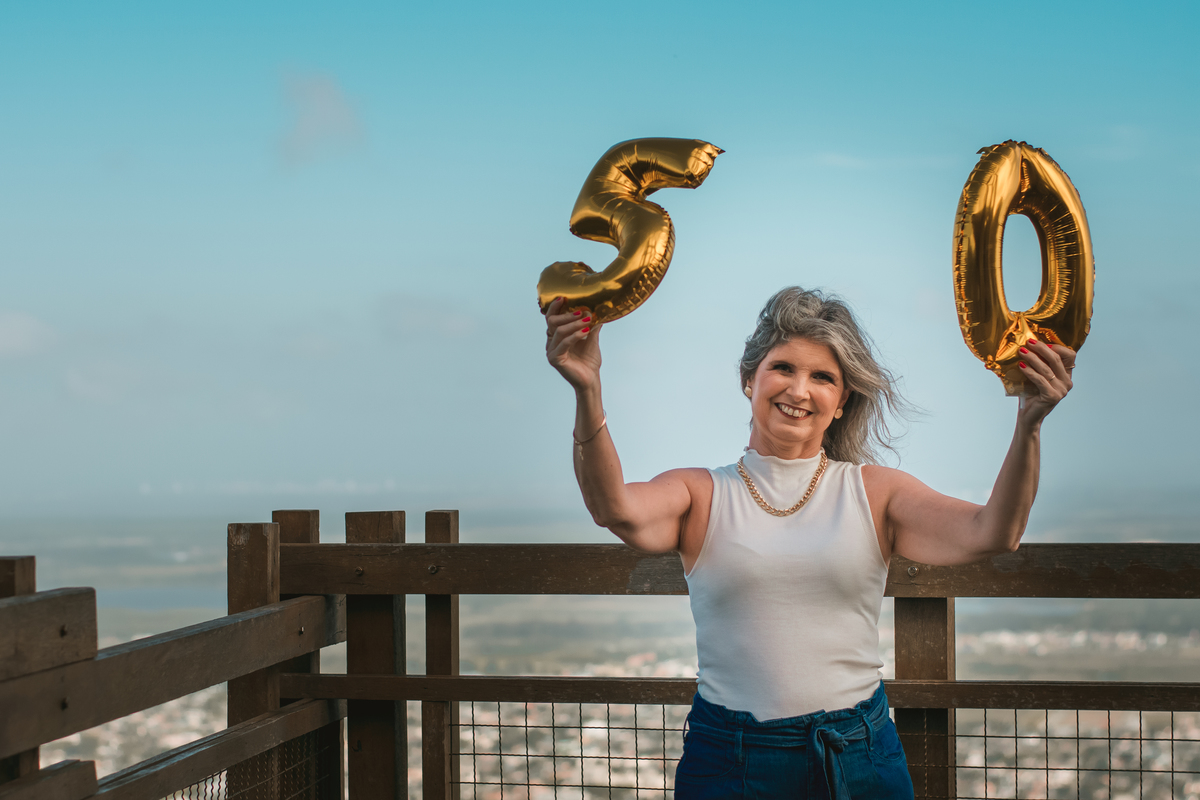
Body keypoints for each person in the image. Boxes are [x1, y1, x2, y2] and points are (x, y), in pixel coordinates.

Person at [543, 286, 1075, 799]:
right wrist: (587, 388)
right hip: (729, 758)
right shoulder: (699, 493)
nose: (799, 390)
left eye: (822, 377)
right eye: (783, 368)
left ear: (841, 401)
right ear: (749, 379)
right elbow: (613, 508)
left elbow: (993, 532)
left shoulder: (876, 493)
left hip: (858, 754)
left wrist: (1029, 423)